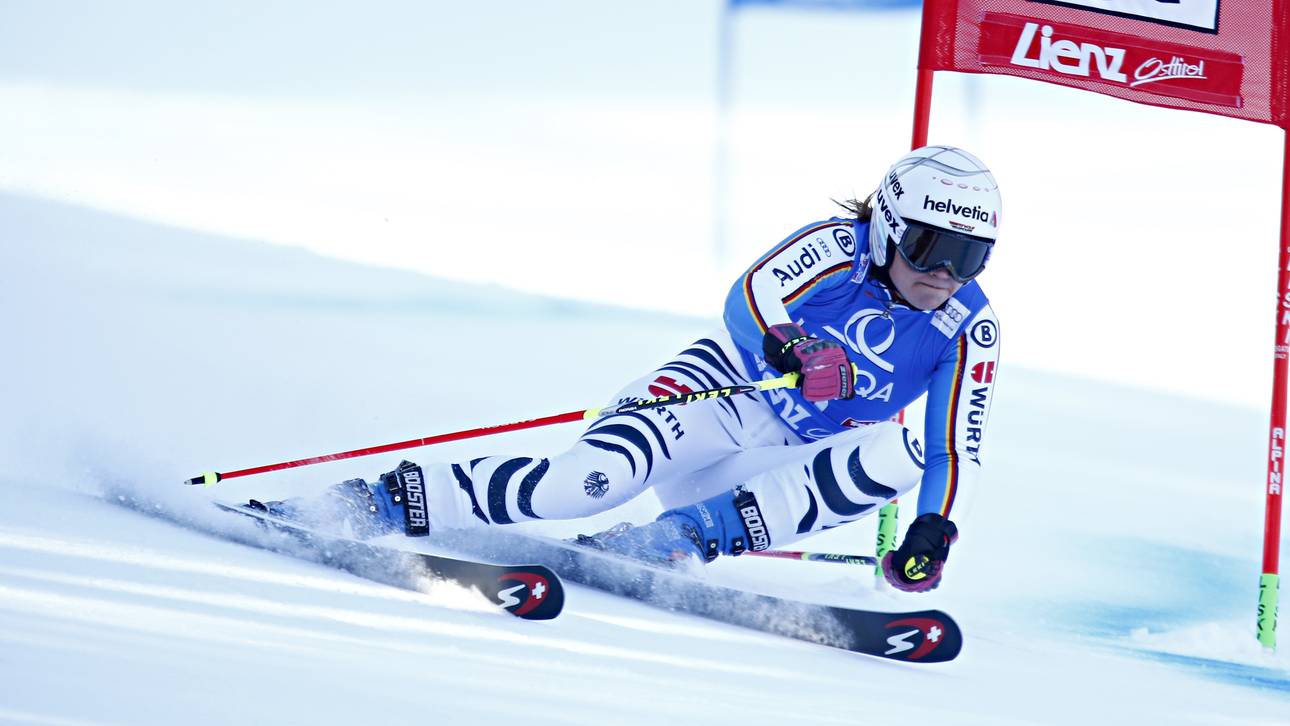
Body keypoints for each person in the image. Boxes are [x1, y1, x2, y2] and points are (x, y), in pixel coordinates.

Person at [256, 145, 1002, 593]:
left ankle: (677, 539)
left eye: (970, 258)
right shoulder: (837, 247)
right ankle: (379, 501)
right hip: (720, 395)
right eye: (933, 248)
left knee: (901, 453)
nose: (947, 273)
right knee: (582, 487)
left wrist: (933, 532)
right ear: (891, 227)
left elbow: (950, 447)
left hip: (777, 467)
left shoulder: (969, 326)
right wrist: (792, 349)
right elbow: (748, 296)